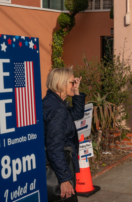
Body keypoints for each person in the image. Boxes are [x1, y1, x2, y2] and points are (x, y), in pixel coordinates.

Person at [43, 68, 85, 201]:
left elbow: (76, 114)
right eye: (72, 82)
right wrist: (65, 179)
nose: (75, 85)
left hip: (59, 164)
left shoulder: (53, 102)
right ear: (59, 84)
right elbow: (54, 147)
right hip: (60, 166)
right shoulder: (57, 109)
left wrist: (76, 91)